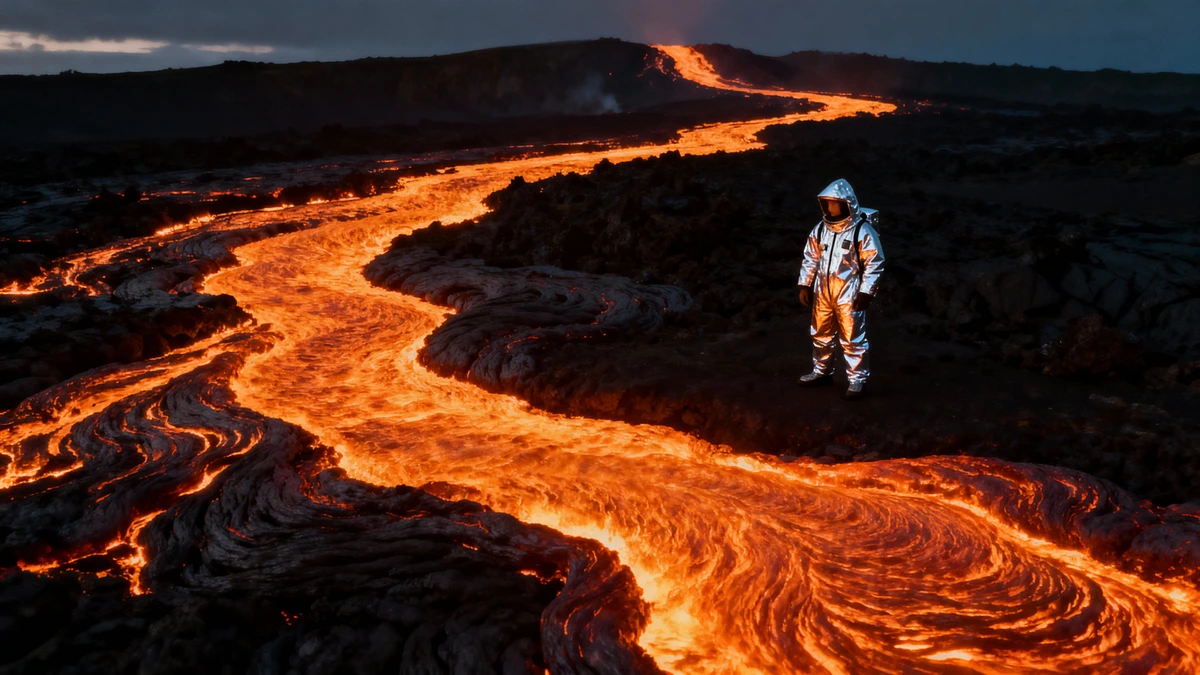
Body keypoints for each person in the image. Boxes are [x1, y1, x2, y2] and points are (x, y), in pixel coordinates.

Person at [796, 179, 886, 400]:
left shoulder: (861, 231)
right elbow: (811, 258)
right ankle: (822, 372)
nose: (829, 207)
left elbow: (874, 262)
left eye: (834, 203)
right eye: (826, 203)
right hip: (823, 291)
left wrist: (866, 292)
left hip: (849, 292)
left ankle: (857, 380)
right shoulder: (821, 230)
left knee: (852, 337)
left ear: (847, 204)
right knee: (821, 334)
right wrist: (805, 284)